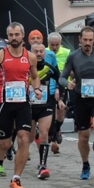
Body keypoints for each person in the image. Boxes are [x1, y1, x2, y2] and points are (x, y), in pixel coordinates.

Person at [0, 22, 42, 188]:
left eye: (17, 35)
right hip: (4, 104)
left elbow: (35, 76)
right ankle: (1, 157)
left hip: (23, 103)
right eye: (11, 35)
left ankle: (16, 178)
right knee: (4, 143)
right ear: (7, 36)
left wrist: (36, 88)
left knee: (24, 138)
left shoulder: (30, 56)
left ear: (22, 36)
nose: (14, 38)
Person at [59, 26, 94, 180]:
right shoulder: (73, 56)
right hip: (81, 99)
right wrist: (67, 84)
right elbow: (62, 77)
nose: (87, 43)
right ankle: (85, 165)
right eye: (85, 40)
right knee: (83, 136)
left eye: (90, 40)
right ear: (80, 39)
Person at [28, 43, 60, 180]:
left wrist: (60, 93)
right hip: (28, 105)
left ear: (45, 53)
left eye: (41, 51)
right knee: (27, 138)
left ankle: (43, 165)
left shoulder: (50, 67)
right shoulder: (26, 67)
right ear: (31, 53)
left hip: (45, 105)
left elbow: (60, 79)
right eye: (36, 51)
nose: (39, 54)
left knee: (44, 133)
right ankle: (33, 136)